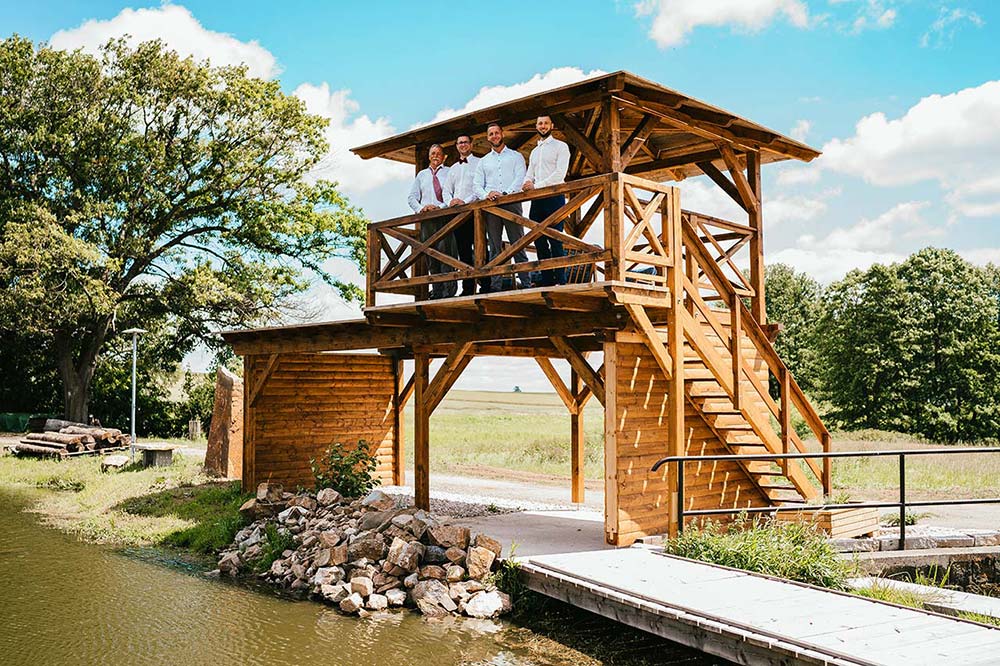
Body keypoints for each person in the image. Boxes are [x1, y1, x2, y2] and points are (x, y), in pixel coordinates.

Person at [473, 122, 528, 293]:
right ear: (488, 137)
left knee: (518, 243)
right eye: (491, 134)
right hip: (491, 208)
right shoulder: (483, 162)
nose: (494, 136)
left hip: (511, 203)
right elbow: (476, 185)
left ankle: (526, 283)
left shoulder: (516, 156)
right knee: (495, 247)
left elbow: (520, 177)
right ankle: (495, 286)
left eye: (497, 133)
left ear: (502, 134)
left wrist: (505, 193)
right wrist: (486, 195)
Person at [523, 115, 571, 286]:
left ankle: (561, 280)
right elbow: (530, 173)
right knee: (539, 239)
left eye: (545, 123)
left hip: (554, 197)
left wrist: (538, 186)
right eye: (540, 124)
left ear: (552, 125)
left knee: (556, 238)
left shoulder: (561, 146)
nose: (543, 126)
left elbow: (560, 174)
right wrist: (527, 183)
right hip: (537, 200)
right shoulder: (535, 152)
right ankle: (547, 279)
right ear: (536, 126)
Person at [407, 144, 456, 299]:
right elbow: (412, 197)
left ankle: (449, 291)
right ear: (429, 156)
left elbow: (452, 194)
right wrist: (422, 208)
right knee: (431, 255)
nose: (435, 156)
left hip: (444, 217)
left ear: (443, 157)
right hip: (427, 219)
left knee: (446, 254)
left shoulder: (449, 172)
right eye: (433, 153)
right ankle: (437, 291)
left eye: (439, 153)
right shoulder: (421, 175)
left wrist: (439, 207)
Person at [443, 134, 480, 296]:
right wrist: (451, 201)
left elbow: (479, 188)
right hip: (457, 216)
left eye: (465, 142)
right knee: (463, 252)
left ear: (471, 144)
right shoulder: (453, 168)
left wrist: (464, 202)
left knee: (480, 250)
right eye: (460, 143)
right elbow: (446, 190)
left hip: (475, 213)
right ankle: (468, 289)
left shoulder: (480, 163)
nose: (463, 145)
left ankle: (486, 285)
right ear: (457, 146)